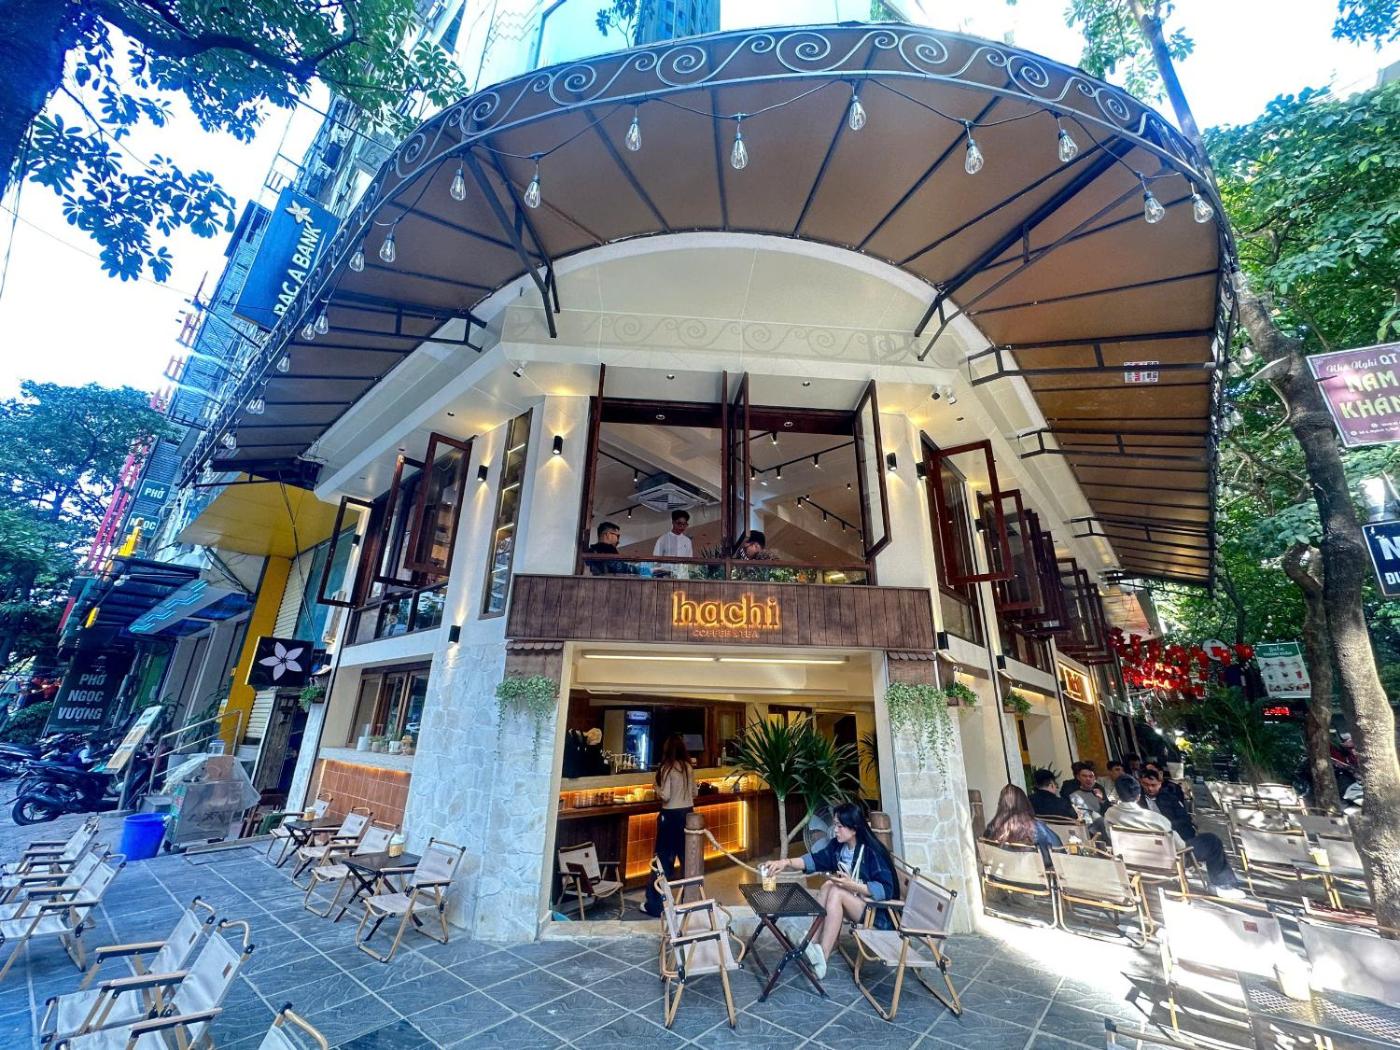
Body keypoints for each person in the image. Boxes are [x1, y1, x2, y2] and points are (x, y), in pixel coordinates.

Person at [763, 802, 896, 981]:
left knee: (836, 892)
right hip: (858, 902)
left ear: (854, 828)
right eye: (835, 825)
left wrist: (852, 885)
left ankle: (822, 959)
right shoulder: (838, 847)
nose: (835, 830)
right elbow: (814, 860)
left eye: (840, 826)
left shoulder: (871, 852)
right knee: (828, 886)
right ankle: (811, 942)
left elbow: (886, 889)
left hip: (876, 912)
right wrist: (785, 862)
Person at [1106, 774, 1243, 898]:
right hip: (1167, 862)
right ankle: (1222, 884)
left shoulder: (1110, 814)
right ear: (1138, 795)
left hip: (1131, 860)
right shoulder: (1156, 819)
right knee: (1212, 840)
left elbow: (1110, 836)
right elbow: (1180, 847)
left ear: (1118, 794)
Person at [643, 735, 695, 917]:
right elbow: (694, 792)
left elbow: (665, 795)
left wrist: (655, 787)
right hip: (688, 815)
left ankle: (655, 905)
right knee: (688, 859)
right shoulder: (688, 767)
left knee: (662, 860)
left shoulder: (667, 768)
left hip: (670, 816)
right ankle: (690, 901)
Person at [985, 783, 1063, 864]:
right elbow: (1059, 850)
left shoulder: (991, 829)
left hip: (1004, 871)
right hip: (1035, 871)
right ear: (1025, 803)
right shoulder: (1036, 828)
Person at [651, 510, 693, 579]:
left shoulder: (687, 541)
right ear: (673, 522)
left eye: (684, 524)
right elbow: (656, 561)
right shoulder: (662, 539)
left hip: (682, 577)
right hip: (665, 576)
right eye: (679, 523)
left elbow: (690, 561)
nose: (682, 527)